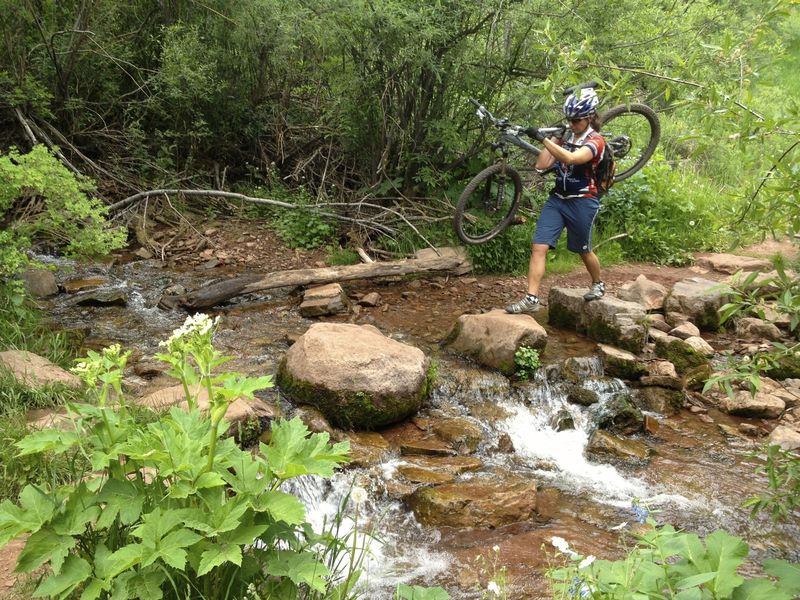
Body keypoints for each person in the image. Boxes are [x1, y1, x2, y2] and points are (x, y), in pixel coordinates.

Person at [505, 87, 606, 314]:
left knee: (583, 249)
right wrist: (553, 138)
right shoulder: (566, 134)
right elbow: (541, 164)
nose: (572, 124)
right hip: (557, 200)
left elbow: (571, 158)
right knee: (538, 246)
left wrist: (543, 138)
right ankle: (531, 298)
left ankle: (598, 283)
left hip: (582, 201)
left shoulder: (596, 141)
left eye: (577, 120)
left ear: (590, 117)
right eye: (569, 119)